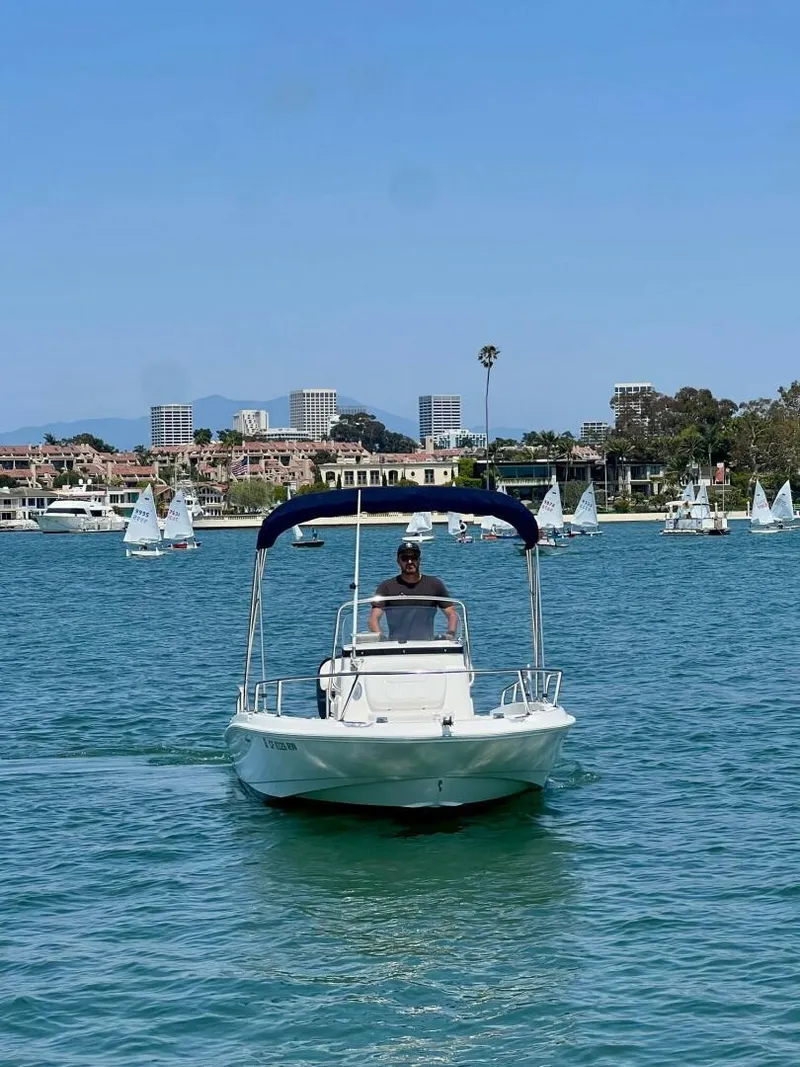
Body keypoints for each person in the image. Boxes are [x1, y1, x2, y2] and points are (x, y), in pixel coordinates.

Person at [368, 541, 459, 642]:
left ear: (419, 560)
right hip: (395, 647)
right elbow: (373, 618)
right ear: (398, 561)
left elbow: (451, 613)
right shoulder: (386, 587)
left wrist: (450, 634)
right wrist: (382, 641)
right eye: (405, 558)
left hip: (427, 646)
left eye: (414, 557)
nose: (410, 562)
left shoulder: (435, 584)